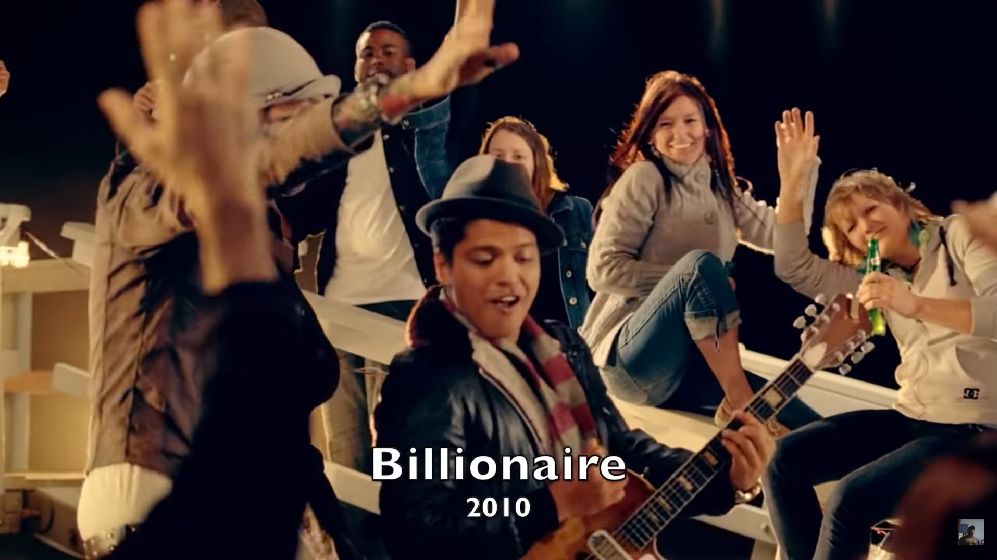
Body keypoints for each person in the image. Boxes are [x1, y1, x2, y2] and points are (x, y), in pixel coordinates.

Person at [80, 0, 519, 557]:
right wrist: (406, 91)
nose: (312, 150)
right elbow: (263, 160)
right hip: (160, 499)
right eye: (296, 116)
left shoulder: (256, 237)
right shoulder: (143, 190)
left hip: (257, 501)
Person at [373, 154, 776, 560]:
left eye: (523, 257)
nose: (509, 276)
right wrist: (554, 504)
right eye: (484, 259)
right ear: (443, 265)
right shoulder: (422, 380)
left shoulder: (562, 346)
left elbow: (623, 450)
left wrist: (729, 478)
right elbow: (415, 532)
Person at [764, 107, 997, 560]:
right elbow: (792, 266)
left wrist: (915, 304)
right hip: (915, 420)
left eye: (871, 208)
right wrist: (792, 183)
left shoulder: (958, 237)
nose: (865, 225)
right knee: (782, 461)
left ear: (902, 205)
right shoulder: (875, 279)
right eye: (850, 226)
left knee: (851, 500)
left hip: (976, 429)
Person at [579, 70, 821, 437]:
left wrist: (795, 178)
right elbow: (602, 271)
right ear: (650, 134)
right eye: (666, 124)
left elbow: (785, 237)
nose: (680, 133)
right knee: (701, 266)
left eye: (690, 121)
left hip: (687, 368)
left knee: (797, 417)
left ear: (707, 127)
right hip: (629, 360)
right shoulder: (645, 178)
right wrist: (689, 281)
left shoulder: (721, 188)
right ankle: (739, 401)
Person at [478, 116, 593, 329]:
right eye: (498, 156)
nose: (507, 164)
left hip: (577, 340)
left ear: (536, 163)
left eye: (518, 156)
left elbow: (605, 282)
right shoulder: (476, 218)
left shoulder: (575, 211)